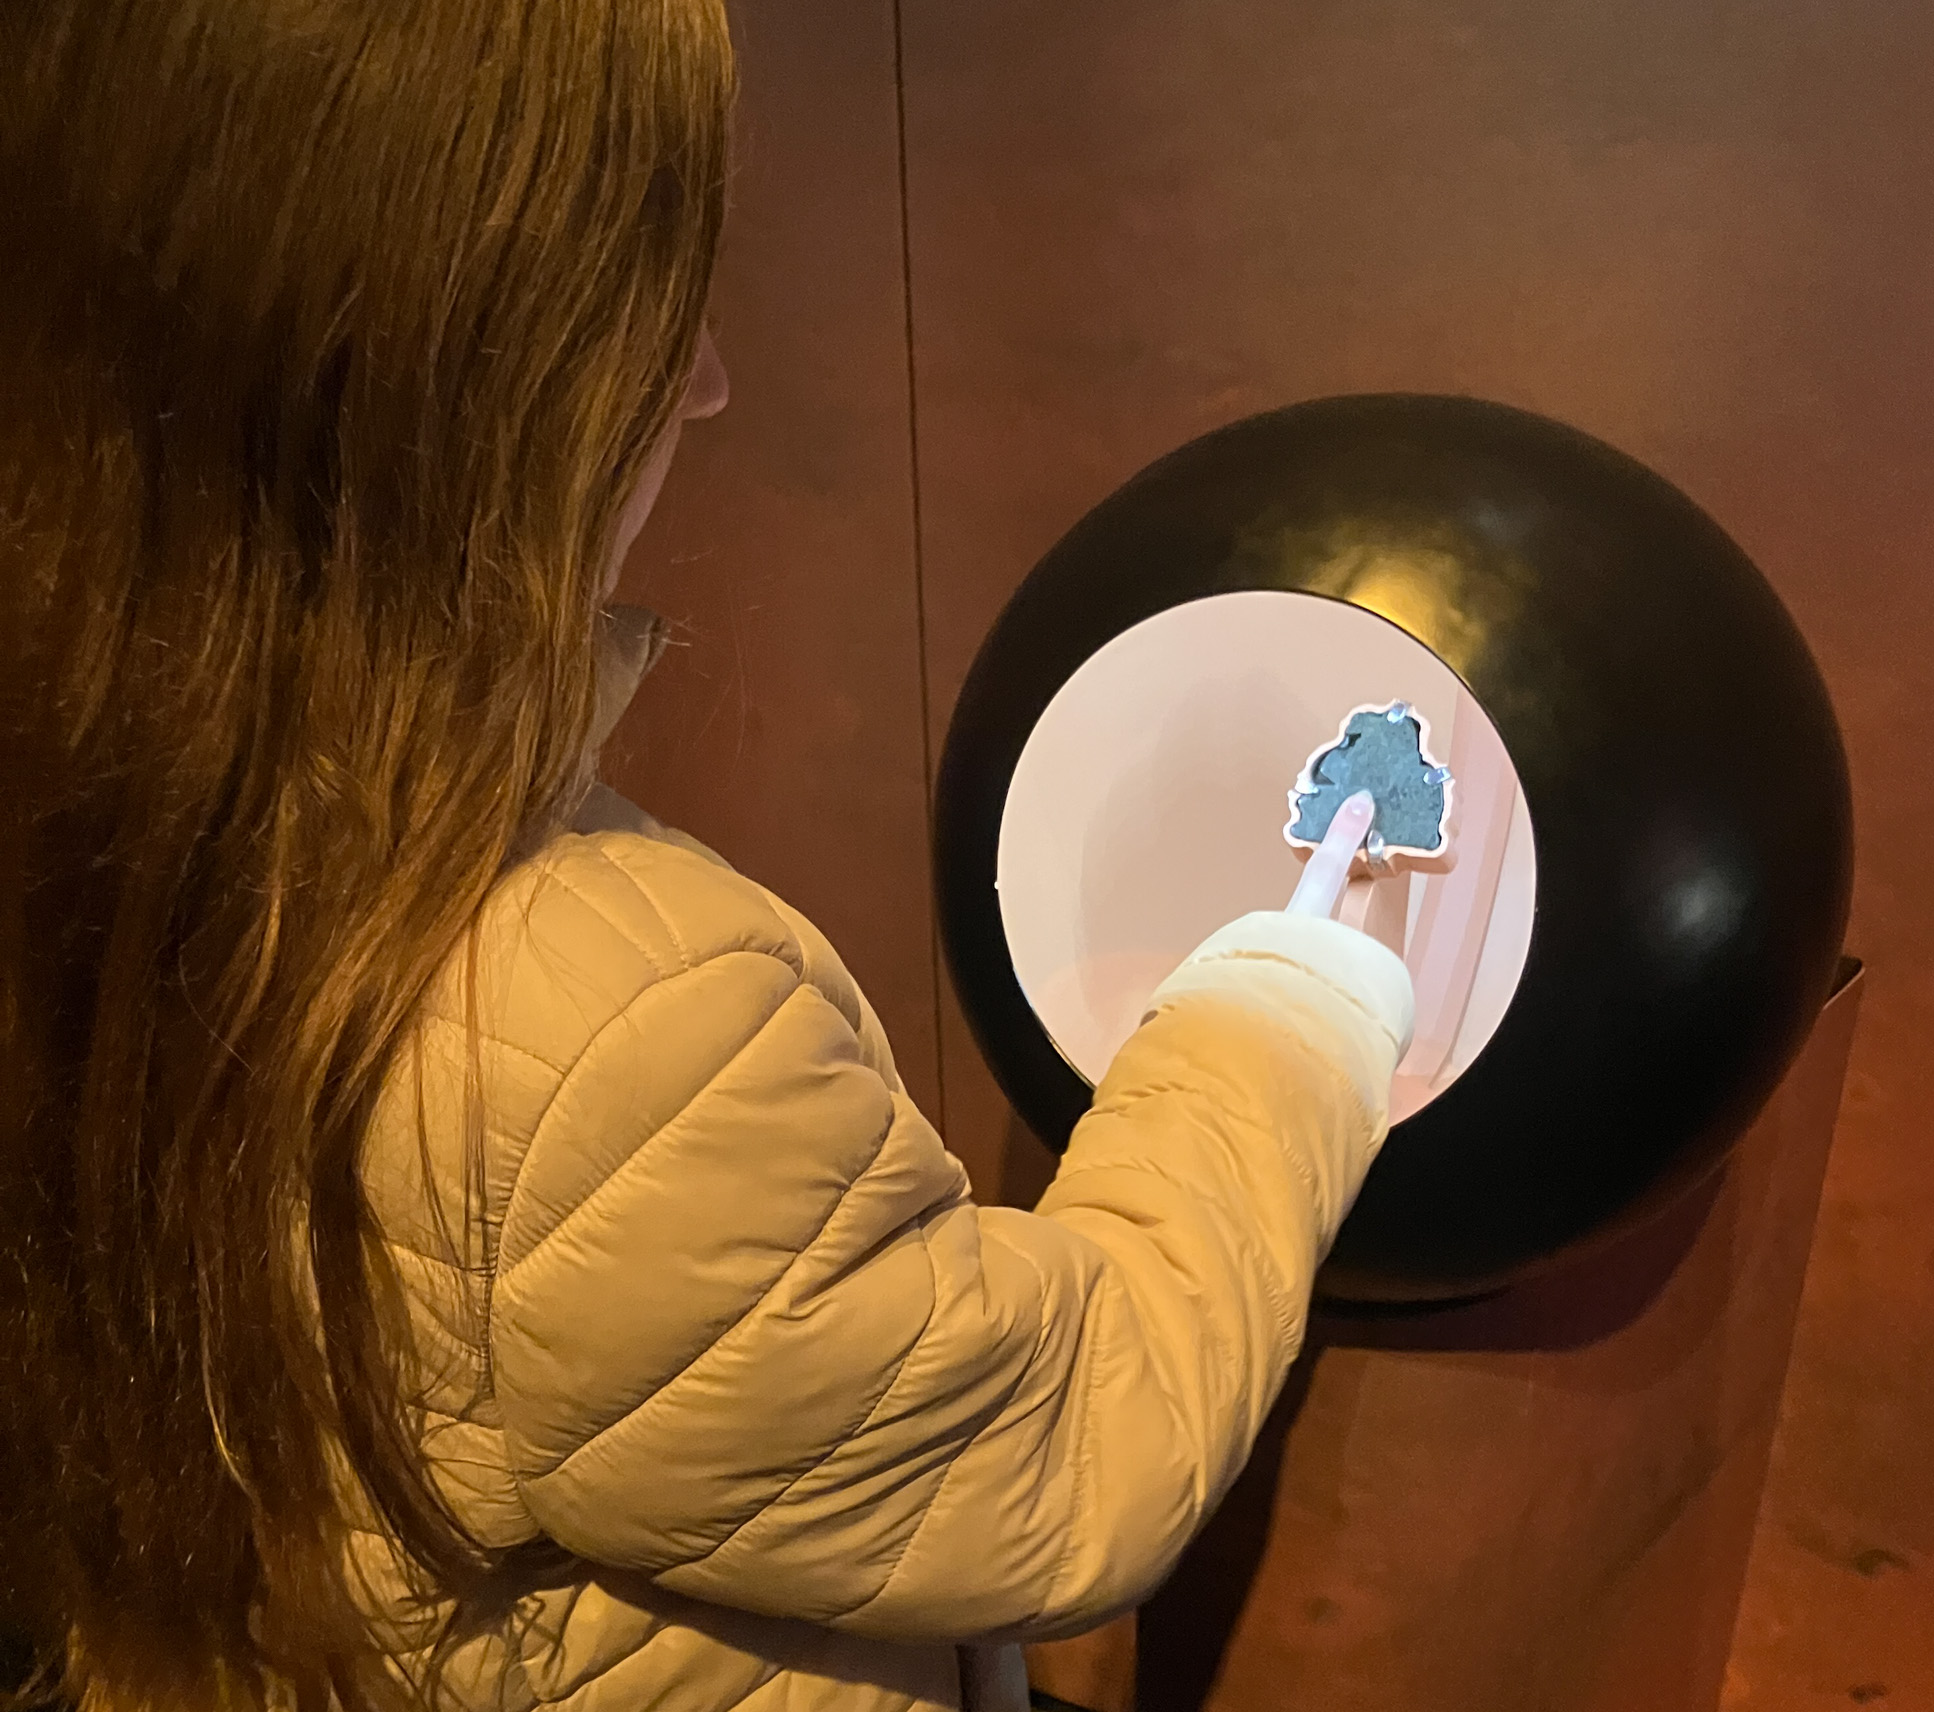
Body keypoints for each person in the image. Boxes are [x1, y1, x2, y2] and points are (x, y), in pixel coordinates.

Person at [0, 4, 1416, 1712]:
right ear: (456, 377)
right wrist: (1289, 1009)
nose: (713, 382)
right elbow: (1074, 1437)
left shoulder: (93, 822)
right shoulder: (614, 1031)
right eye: (639, 315)